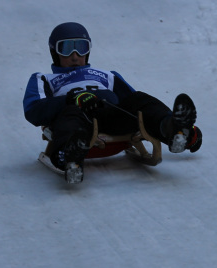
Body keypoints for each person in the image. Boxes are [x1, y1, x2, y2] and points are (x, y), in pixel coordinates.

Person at [23, 22, 202, 183]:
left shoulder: (107, 75)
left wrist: (157, 116)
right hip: (78, 118)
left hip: (111, 114)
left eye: (81, 47)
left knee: (140, 100)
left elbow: (133, 101)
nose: (75, 55)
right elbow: (33, 110)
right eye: (67, 48)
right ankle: (68, 155)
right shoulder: (45, 79)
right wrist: (72, 99)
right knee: (71, 116)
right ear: (54, 52)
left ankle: (173, 129)